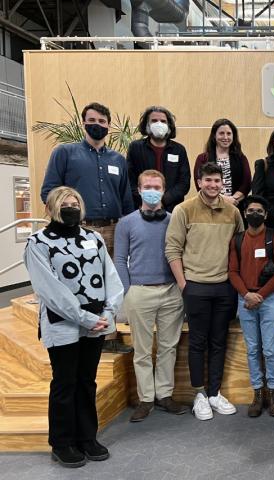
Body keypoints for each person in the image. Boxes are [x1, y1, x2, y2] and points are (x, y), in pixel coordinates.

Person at [24, 186, 124, 468]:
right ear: (52, 208)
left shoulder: (92, 237)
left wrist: (108, 311)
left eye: (75, 203)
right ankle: (62, 442)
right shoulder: (38, 243)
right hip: (63, 323)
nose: (71, 208)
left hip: (96, 321)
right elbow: (51, 291)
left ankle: (86, 437)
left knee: (86, 381)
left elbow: (111, 276)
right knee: (65, 383)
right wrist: (87, 318)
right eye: (65, 204)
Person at [40, 101, 133, 355]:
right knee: (79, 283)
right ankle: (78, 334)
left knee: (110, 285)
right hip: (78, 231)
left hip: (113, 230)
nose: (97, 125)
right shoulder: (65, 153)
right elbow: (49, 192)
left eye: (102, 122)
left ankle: (108, 334)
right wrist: (66, 221)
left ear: (109, 126)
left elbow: (126, 200)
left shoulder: (118, 160)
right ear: (83, 123)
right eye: (92, 120)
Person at [165, 162, 243, 421]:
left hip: (224, 287)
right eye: (207, 180)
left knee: (219, 341)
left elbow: (241, 246)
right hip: (195, 286)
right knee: (197, 342)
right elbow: (172, 249)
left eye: (217, 181)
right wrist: (184, 285)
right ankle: (199, 394)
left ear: (223, 184)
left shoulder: (232, 212)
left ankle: (214, 392)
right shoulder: (183, 210)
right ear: (199, 182)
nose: (212, 185)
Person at [114, 170, 188, 422]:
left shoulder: (174, 219)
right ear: (139, 189)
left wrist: (181, 286)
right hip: (139, 291)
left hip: (170, 291)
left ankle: (164, 394)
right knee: (143, 351)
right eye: (148, 186)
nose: (152, 190)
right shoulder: (126, 223)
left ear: (164, 191)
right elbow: (120, 259)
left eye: (157, 186)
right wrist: (127, 291)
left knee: (168, 347)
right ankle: (146, 398)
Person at [229, 195, 274, 418]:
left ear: (265, 214)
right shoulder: (237, 239)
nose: (255, 214)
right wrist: (246, 294)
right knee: (253, 349)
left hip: (269, 299)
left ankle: (273, 393)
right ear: (245, 213)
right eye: (251, 210)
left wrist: (259, 295)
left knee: (270, 350)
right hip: (244, 300)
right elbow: (232, 272)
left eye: (259, 211)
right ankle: (258, 394)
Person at [126, 105, 190, 213]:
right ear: (147, 125)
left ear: (169, 125)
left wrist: (163, 200)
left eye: (163, 121)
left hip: (172, 210)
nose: (159, 124)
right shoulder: (135, 148)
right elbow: (129, 180)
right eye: (154, 121)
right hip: (141, 209)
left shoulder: (179, 150)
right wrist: (146, 200)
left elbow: (184, 183)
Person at [193, 118, 251, 209]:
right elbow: (200, 185)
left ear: (233, 136)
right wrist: (223, 199)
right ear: (214, 136)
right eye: (221, 133)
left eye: (229, 134)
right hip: (209, 207)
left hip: (235, 206)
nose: (225, 137)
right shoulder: (202, 158)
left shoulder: (241, 158)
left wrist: (232, 200)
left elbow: (246, 184)